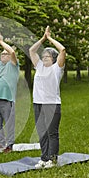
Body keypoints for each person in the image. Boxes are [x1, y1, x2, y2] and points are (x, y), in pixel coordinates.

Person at [29, 26, 66, 168]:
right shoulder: (39, 67)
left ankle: (52, 159)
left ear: (54, 59)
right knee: (42, 133)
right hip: (38, 104)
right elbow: (32, 50)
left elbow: (62, 50)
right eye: (43, 56)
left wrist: (50, 38)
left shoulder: (57, 68)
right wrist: (43, 38)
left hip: (52, 104)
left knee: (52, 133)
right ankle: (44, 159)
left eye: (47, 56)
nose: (44, 58)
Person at [0, 31, 20, 153]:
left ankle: (9, 145)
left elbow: (12, 52)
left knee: (9, 124)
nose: (3, 55)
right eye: (1, 54)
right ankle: (1, 143)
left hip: (8, 100)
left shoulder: (13, 65)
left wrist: (1, 42)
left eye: (5, 54)